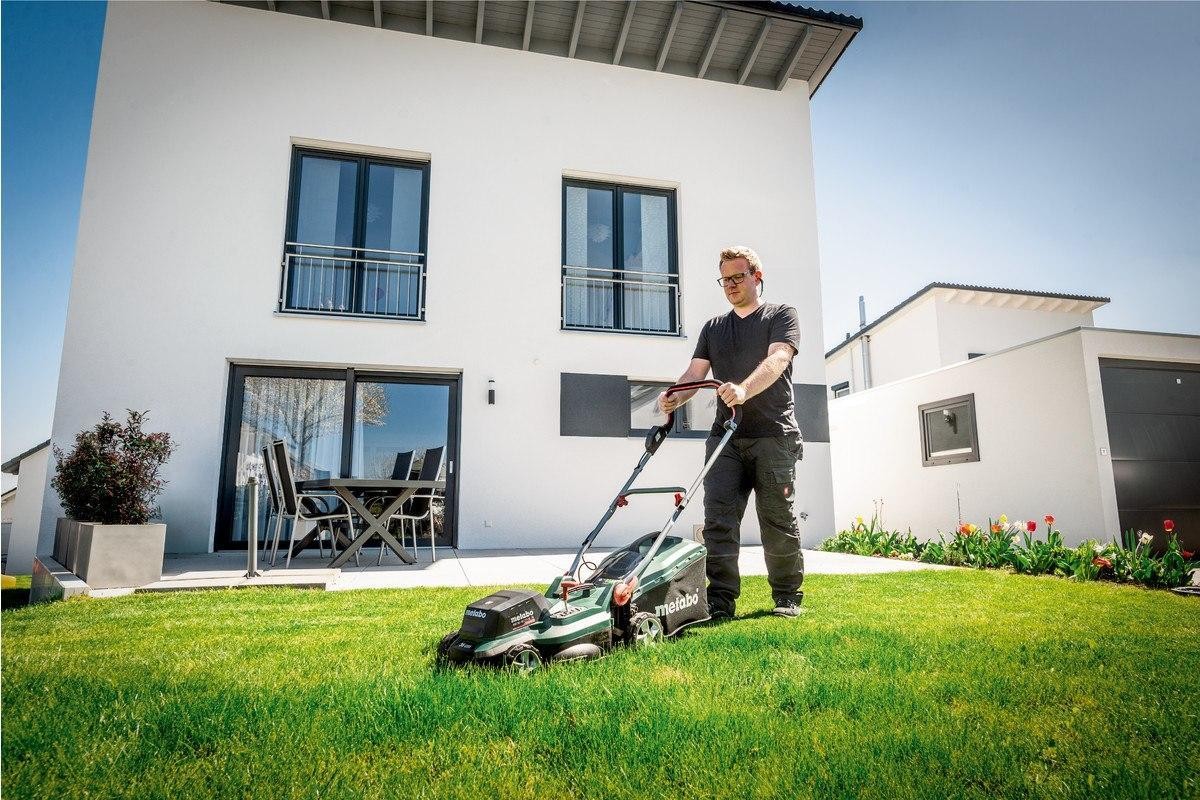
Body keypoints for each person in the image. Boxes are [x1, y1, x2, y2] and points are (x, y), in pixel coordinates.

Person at [658, 246, 805, 619]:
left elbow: (778, 359)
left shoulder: (781, 315)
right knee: (719, 521)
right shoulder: (714, 328)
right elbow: (695, 373)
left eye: (738, 277)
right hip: (726, 437)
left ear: (757, 276)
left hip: (774, 435)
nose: (731, 285)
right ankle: (720, 601)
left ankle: (787, 597)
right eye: (725, 279)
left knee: (777, 518)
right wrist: (675, 395)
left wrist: (743, 389)